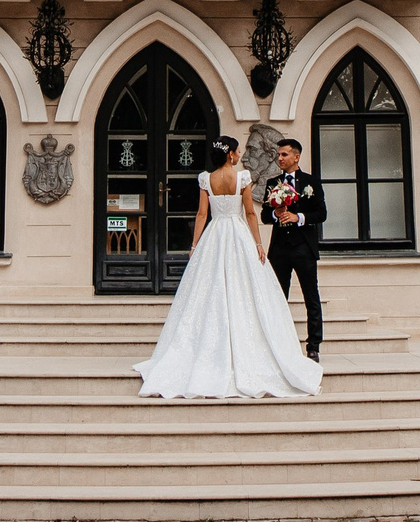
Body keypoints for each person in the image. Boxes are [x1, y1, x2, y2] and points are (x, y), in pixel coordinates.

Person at [133, 136, 323, 398]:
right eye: (237, 152)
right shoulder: (242, 177)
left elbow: (202, 214)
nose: (239, 155)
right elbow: (250, 214)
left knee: (208, 289)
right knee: (244, 287)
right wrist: (257, 243)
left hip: (215, 234)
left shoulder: (205, 178)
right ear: (231, 154)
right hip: (237, 234)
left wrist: (194, 245)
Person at [261, 136, 326, 360]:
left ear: (296, 157)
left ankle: (313, 345)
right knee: (278, 298)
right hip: (279, 249)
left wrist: (298, 216)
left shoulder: (312, 182)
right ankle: (278, 344)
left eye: (284, 154)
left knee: (311, 296)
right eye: (279, 155)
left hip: (304, 248)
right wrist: (275, 213)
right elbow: (264, 215)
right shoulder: (272, 183)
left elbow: (321, 214)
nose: (279, 158)